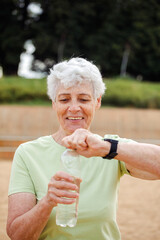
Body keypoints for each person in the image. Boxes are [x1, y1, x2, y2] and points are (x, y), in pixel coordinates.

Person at [7, 58, 160, 240]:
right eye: (64, 99)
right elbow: (17, 235)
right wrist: (47, 202)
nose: (74, 108)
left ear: (97, 102)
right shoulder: (28, 153)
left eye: (83, 99)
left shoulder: (111, 148)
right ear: (54, 103)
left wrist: (105, 148)